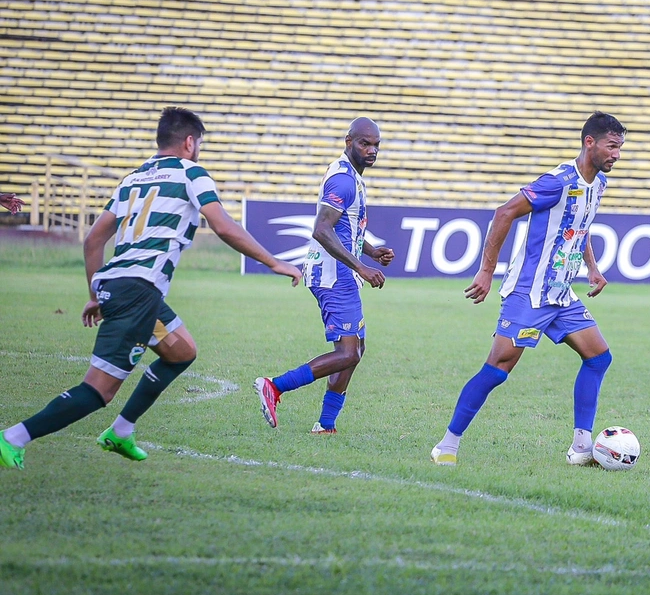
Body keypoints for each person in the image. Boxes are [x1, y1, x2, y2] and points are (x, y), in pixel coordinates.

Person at [0, 106, 302, 470]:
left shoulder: (132, 178)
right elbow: (222, 226)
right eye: (199, 143)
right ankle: (14, 436)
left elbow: (93, 240)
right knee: (99, 390)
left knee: (182, 351)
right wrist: (273, 261)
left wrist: (97, 294)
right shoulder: (193, 174)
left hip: (126, 288)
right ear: (190, 142)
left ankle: (121, 432)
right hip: (138, 293)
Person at [430, 112, 626, 466]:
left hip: (561, 294)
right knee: (498, 369)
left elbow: (579, 228)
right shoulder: (558, 181)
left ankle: (582, 448)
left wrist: (592, 269)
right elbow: (504, 212)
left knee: (599, 357)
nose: (617, 155)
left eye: (621, 148)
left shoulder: (598, 185)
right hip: (529, 293)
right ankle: (447, 445)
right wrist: (486, 272)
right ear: (590, 143)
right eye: (612, 147)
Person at [253, 118, 393, 434]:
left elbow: (346, 227)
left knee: (356, 349)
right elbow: (322, 229)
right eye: (365, 144)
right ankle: (275, 387)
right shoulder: (344, 180)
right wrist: (361, 267)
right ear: (349, 141)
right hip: (334, 276)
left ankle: (326, 424)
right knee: (347, 352)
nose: (371, 151)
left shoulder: (350, 176)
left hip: (340, 272)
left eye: (376, 145)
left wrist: (371, 252)